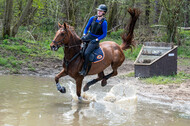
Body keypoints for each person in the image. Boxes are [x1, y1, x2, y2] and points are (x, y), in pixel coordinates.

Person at [79, 4, 108, 76]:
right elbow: (86, 27)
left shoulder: (104, 22)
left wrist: (97, 40)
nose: (98, 12)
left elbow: (104, 34)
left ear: (104, 13)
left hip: (95, 40)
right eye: (98, 10)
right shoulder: (92, 18)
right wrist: (84, 34)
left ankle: (84, 69)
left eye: (100, 11)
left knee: (87, 53)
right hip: (88, 36)